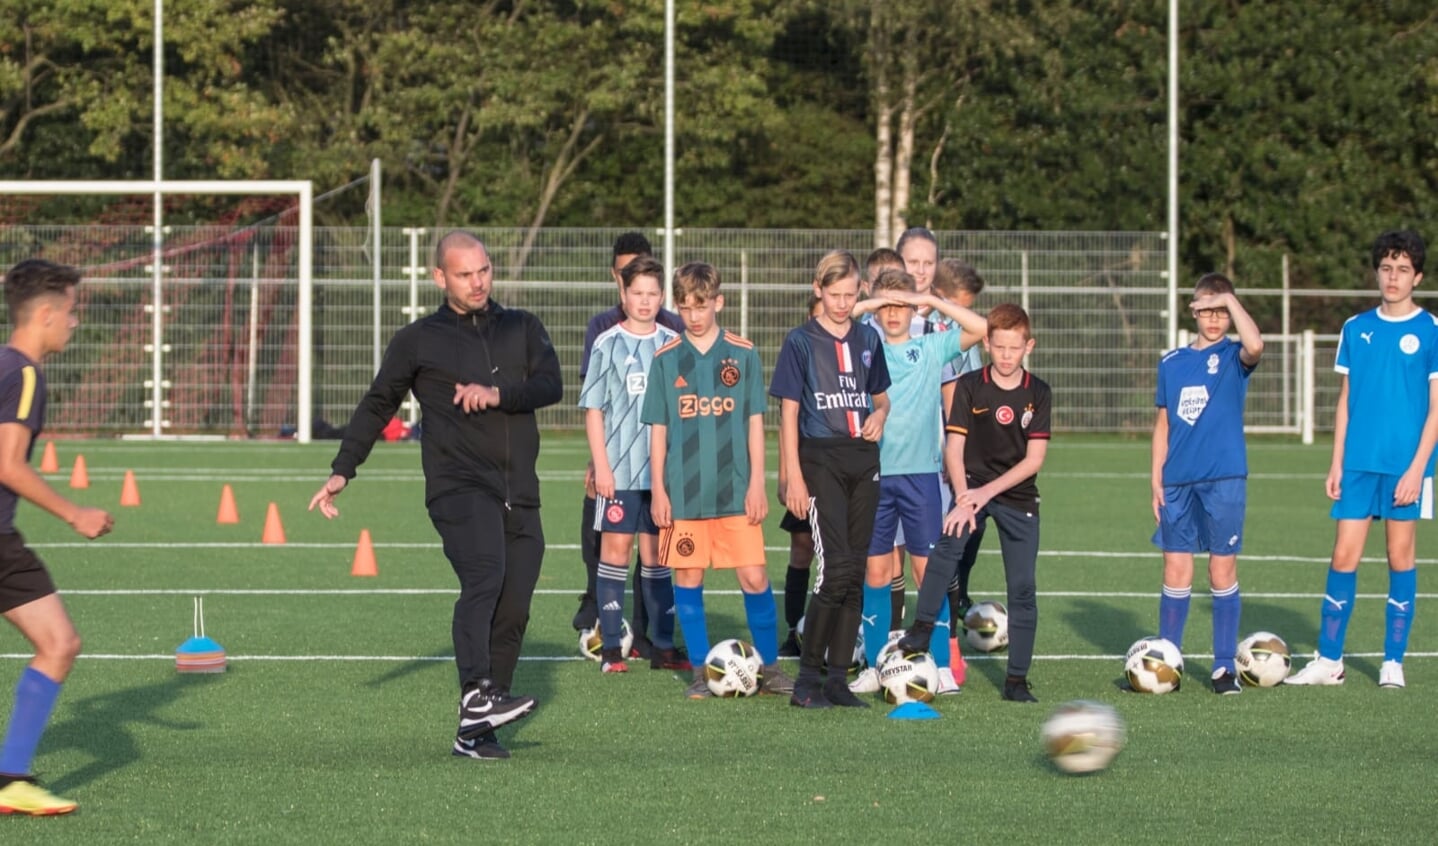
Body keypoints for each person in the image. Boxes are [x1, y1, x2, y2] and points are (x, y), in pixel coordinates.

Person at [308, 231, 562, 760]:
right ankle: (476, 692)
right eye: (466, 274)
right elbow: (379, 402)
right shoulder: (419, 339)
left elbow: (552, 386)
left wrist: (498, 393)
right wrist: (343, 469)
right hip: (458, 486)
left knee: (513, 608)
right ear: (439, 277)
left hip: (521, 491)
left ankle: (476, 730)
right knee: (485, 575)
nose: (478, 282)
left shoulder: (522, 326)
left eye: (484, 270)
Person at [1288, 230, 1438, 689]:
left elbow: (1437, 406)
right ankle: (1329, 660)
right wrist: (1336, 462)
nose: (1393, 278)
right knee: (1343, 555)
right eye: (1386, 268)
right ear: (1376, 272)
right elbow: (1346, 400)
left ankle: (1393, 660)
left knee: (1400, 556)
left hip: (1405, 467)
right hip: (1357, 463)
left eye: (1403, 270)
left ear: (1418, 276)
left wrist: (1417, 469)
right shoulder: (1356, 328)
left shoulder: (1430, 330)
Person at [642, 262, 794, 699]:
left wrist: (757, 484)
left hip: (734, 491)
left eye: (702, 305)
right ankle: (699, 671)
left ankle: (768, 667)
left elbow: (753, 423)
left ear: (718, 302)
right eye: (686, 306)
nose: (694, 315)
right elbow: (658, 430)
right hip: (684, 495)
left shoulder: (742, 354)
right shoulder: (666, 359)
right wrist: (659, 490)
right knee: (687, 579)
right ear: (677, 307)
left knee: (754, 577)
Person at [0, 260, 114, 816]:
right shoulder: (22, 374)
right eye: (71, 311)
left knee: (60, 643)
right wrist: (75, 513)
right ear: (45, 313)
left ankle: (11, 781)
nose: (75, 322)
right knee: (58, 643)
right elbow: (9, 464)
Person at [897, 303, 1051, 703]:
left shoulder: (1039, 392)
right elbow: (955, 447)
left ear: (1027, 346)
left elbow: (1033, 461)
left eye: (1014, 348)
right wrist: (965, 499)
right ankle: (920, 630)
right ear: (987, 343)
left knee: (1022, 588)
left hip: (1016, 496)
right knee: (947, 545)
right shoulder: (969, 385)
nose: (1005, 356)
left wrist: (985, 494)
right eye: (998, 347)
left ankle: (1016, 680)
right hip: (972, 487)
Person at [846, 269, 986, 699]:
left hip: (922, 476)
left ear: (913, 308)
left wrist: (930, 299)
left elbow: (981, 329)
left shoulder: (929, 346)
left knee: (929, 571)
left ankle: (940, 664)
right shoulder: (862, 346)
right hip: (874, 475)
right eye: (885, 306)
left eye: (900, 306)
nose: (892, 313)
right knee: (876, 570)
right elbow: (836, 316)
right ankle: (873, 663)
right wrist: (871, 301)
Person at [771, 249, 891, 708]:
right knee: (834, 571)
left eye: (849, 294)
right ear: (818, 290)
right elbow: (787, 414)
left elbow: (880, 399)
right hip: (819, 460)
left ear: (860, 290)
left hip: (864, 460)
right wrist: (793, 477)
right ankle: (806, 681)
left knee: (855, 573)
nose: (842, 303)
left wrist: (880, 415)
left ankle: (838, 680)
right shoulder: (800, 342)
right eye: (833, 293)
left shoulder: (868, 338)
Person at [1150, 273, 1264, 695]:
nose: (1215, 318)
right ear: (1193, 311)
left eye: (1222, 310)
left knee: (1221, 567)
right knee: (1176, 566)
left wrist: (1230, 300)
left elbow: (1256, 345)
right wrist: (1155, 477)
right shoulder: (1172, 362)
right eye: (1207, 309)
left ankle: (1222, 668)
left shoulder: (1235, 357)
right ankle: (1168, 663)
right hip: (1178, 479)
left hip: (1224, 478)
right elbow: (1162, 423)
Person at [574, 233, 686, 660]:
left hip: (660, 476)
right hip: (619, 472)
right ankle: (612, 653)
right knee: (615, 552)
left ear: (662, 297)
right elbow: (594, 410)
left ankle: (660, 644)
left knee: (657, 557)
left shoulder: (672, 345)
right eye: (636, 292)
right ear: (623, 293)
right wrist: (602, 466)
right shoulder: (606, 342)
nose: (644, 301)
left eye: (652, 293)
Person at [932, 258, 987, 623]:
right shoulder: (936, 332)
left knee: (974, 519)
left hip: (968, 438)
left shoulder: (966, 331)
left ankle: (959, 590)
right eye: (962, 306)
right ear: (941, 298)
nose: (968, 313)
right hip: (938, 443)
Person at [777, 297, 825, 658]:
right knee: (802, 546)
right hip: (805, 467)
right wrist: (786, 475)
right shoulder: (799, 354)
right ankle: (795, 630)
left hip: (844, 468)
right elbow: (787, 420)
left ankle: (837, 630)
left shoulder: (853, 353)